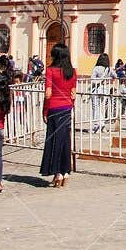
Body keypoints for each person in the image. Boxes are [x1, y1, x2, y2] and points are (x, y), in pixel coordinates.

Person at [39, 44, 76, 187]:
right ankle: (66, 171)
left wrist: (45, 110)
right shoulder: (72, 72)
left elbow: (48, 93)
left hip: (54, 108)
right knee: (65, 140)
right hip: (66, 108)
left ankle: (57, 172)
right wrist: (69, 105)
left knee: (54, 141)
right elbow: (73, 94)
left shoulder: (51, 71)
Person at [89, 52, 112, 133]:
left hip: (96, 90)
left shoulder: (97, 68)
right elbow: (115, 76)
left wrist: (98, 81)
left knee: (95, 108)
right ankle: (102, 125)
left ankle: (97, 126)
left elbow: (92, 79)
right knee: (100, 108)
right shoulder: (109, 69)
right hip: (104, 90)